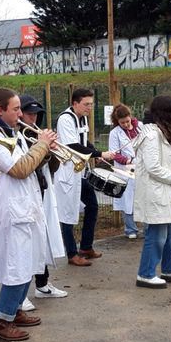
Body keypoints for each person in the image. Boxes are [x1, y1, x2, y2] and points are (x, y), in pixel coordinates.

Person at [0, 88, 58, 341]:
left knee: (28, 261)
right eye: (16, 109)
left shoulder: (11, 132)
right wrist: (41, 144)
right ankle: (1, 320)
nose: (22, 114)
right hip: (6, 212)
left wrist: (46, 151)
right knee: (15, 266)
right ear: (0, 110)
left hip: (22, 208)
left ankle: (15, 310)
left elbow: (30, 165)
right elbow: (19, 169)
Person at [134, 95, 171, 289]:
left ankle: (169, 268)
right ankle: (146, 273)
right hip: (155, 192)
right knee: (156, 235)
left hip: (167, 192)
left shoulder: (163, 132)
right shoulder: (151, 135)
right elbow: (153, 167)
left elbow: (166, 162)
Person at [53, 89, 116, 266]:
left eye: (91, 104)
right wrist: (100, 152)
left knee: (92, 205)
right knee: (67, 212)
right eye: (86, 104)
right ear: (75, 103)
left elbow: (83, 142)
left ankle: (86, 247)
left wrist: (96, 154)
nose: (90, 107)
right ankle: (72, 254)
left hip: (79, 172)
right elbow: (72, 146)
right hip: (67, 172)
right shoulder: (66, 119)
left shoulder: (82, 118)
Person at [18, 94, 69, 309]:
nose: (33, 119)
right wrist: (42, 149)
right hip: (25, 193)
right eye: (29, 114)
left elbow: (51, 168)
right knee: (27, 243)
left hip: (42, 189)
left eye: (36, 115)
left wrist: (52, 152)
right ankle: (19, 295)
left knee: (42, 238)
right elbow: (25, 165)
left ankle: (42, 284)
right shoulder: (15, 136)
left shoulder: (37, 135)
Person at [107, 104, 140, 239]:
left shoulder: (140, 127)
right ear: (117, 121)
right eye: (122, 122)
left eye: (127, 121)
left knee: (144, 197)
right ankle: (130, 228)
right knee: (128, 200)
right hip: (126, 170)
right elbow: (114, 153)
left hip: (141, 168)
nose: (126, 124)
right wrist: (127, 160)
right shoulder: (115, 133)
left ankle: (149, 227)